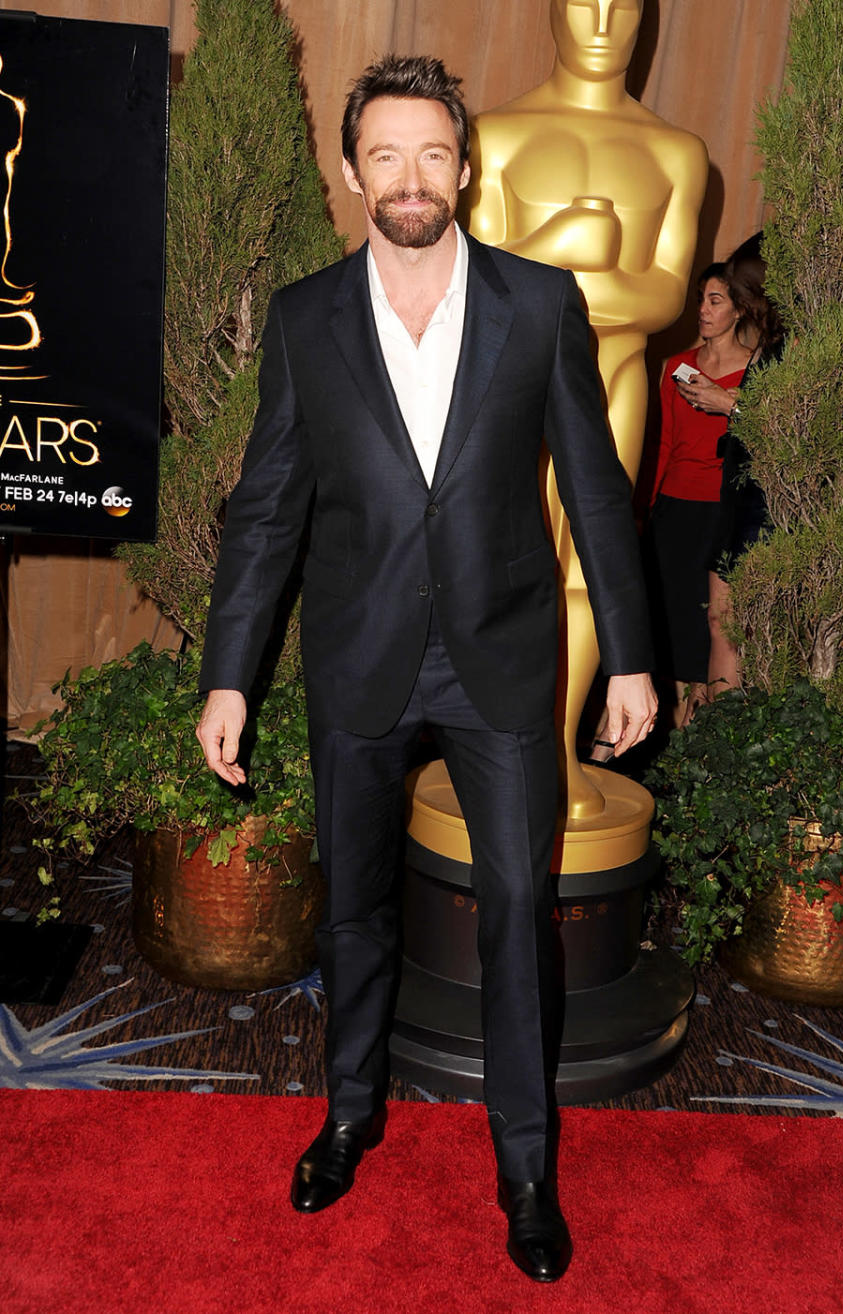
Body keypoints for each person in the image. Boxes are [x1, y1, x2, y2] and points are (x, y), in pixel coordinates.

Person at [195, 55, 658, 1285]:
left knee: (517, 914)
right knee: (353, 912)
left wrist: (629, 653)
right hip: (357, 661)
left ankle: (524, 1164)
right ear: (354, 176)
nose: (410, 177)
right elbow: (265, 513)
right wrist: (229, 674)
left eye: (433, 154)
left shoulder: (540, 305)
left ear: (466, 169)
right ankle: (350, 1114)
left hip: (505, 661)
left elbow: (598, 495)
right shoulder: (304, 320)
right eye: (385, 155)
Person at [468, 0, 706, 814]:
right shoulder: (494, 136)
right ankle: (492, 753)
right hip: (507, 382)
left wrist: (551, 269)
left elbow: (662, 297)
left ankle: (555, 758)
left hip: (615, 381)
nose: (602, 20)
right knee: (496, 561)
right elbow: (476, 285)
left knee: (586, 573)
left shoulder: (675, 153)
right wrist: (574, 236)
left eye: (623, 3)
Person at [677, 234, 785, 697]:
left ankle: (725, 741)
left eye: (736, 292)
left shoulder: (790, 342)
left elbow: (795, 423)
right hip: (737, 494)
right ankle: (715, 740)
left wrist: (729, 404)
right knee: (720, 622)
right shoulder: (773, 341)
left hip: (763, 504)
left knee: (735, 628)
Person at [645, 263, 752, 725]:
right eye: (701, 299)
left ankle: (717, 732)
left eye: (716, 301)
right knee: (677, 624)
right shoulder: (676, 367)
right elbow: (664, 442)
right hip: (674, 508)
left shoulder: (756, 369)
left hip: (725, 508)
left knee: (720, 625)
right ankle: (683, 732)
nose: (704, 311)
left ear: (739, 310)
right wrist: (648, 510)